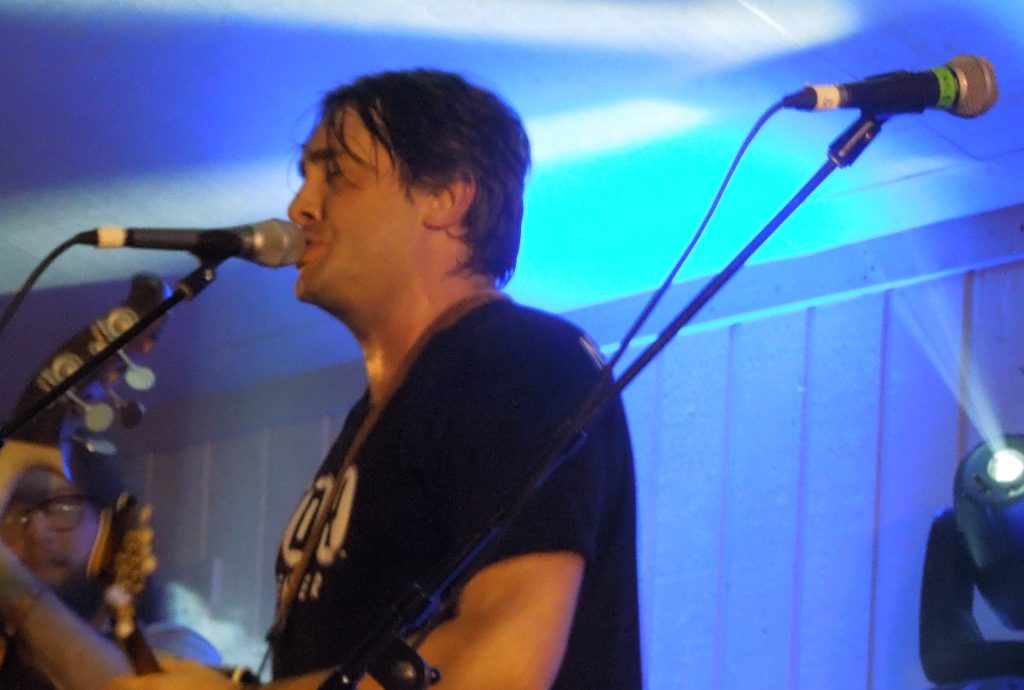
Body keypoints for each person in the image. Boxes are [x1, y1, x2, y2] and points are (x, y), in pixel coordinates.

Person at [103, 67, 641, 689]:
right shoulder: (389, 407)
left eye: (336, 174)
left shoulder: (520, 360)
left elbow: (500, 665)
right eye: (305, 175)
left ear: (445, 197)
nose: (300, 206)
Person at [0, 443, 220, 690]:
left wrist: (15, 586)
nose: (37, 532)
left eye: (63, 505)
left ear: (110, 524)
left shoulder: (177, 646)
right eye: (14, 512)